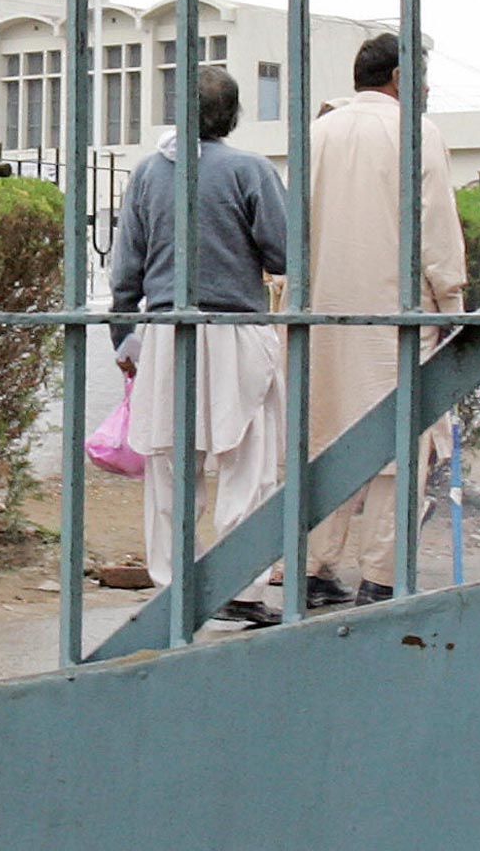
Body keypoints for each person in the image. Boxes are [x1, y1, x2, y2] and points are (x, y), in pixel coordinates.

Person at [109, 67, 288, 625]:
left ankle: (171, 586)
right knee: (248, 462)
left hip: (166, 333)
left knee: (168, 462)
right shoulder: (251, 171)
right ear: (233, 116)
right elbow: (284, 254)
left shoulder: (146, 174)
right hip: (235, 328)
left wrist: (125, 338)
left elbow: (126, 273)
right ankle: (241, 585)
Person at [305, 32, 466, 606]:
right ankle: (380, 575)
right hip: (393, 315)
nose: (423, 92)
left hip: (319, 316)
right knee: (400, 449)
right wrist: (452, 306)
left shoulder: (316, 133)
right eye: (420, 81)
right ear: (398, 79)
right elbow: (437, 230)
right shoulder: (415, 132)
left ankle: (316, 569)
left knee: (325, 440)